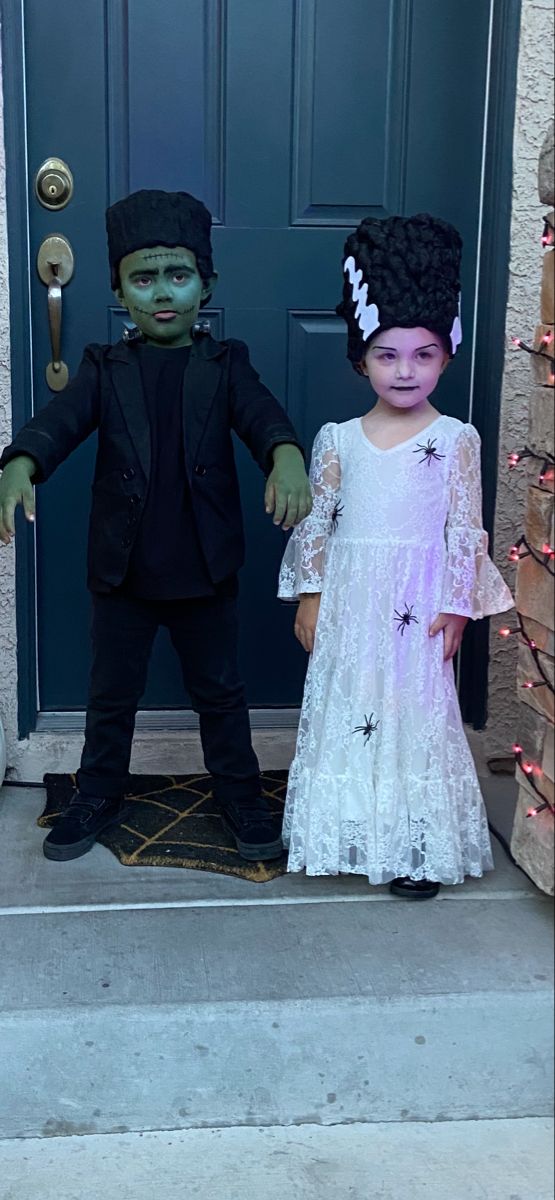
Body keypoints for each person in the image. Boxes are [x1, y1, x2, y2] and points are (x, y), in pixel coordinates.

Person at [0, 188, 312, 864]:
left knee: (220, 695)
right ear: (119, 289)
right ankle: (100, 790)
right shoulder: (100, 369)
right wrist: (21, 460)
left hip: (204, 567)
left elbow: (260, 415)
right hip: (123, 571)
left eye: (179, 274)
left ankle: (238, 793)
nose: (162, 292)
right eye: (143, 278)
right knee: (110, 693)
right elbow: (58, 424)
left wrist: (285, 454)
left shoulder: (226, 364)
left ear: (207, 283)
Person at [278, 213, 514, 898]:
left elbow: (464, 532)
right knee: (350, 707)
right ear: (360, 358)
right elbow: (318, 525)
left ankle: (413, 841)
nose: (404, 370)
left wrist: (457, 608)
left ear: (446, 354)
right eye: (387, 354)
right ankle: (351, 831)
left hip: (418, 607)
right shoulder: (337, 440)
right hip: (352, 605)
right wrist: (311, 597)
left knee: (413, 712)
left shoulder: (457, 439)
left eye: (422, 354)